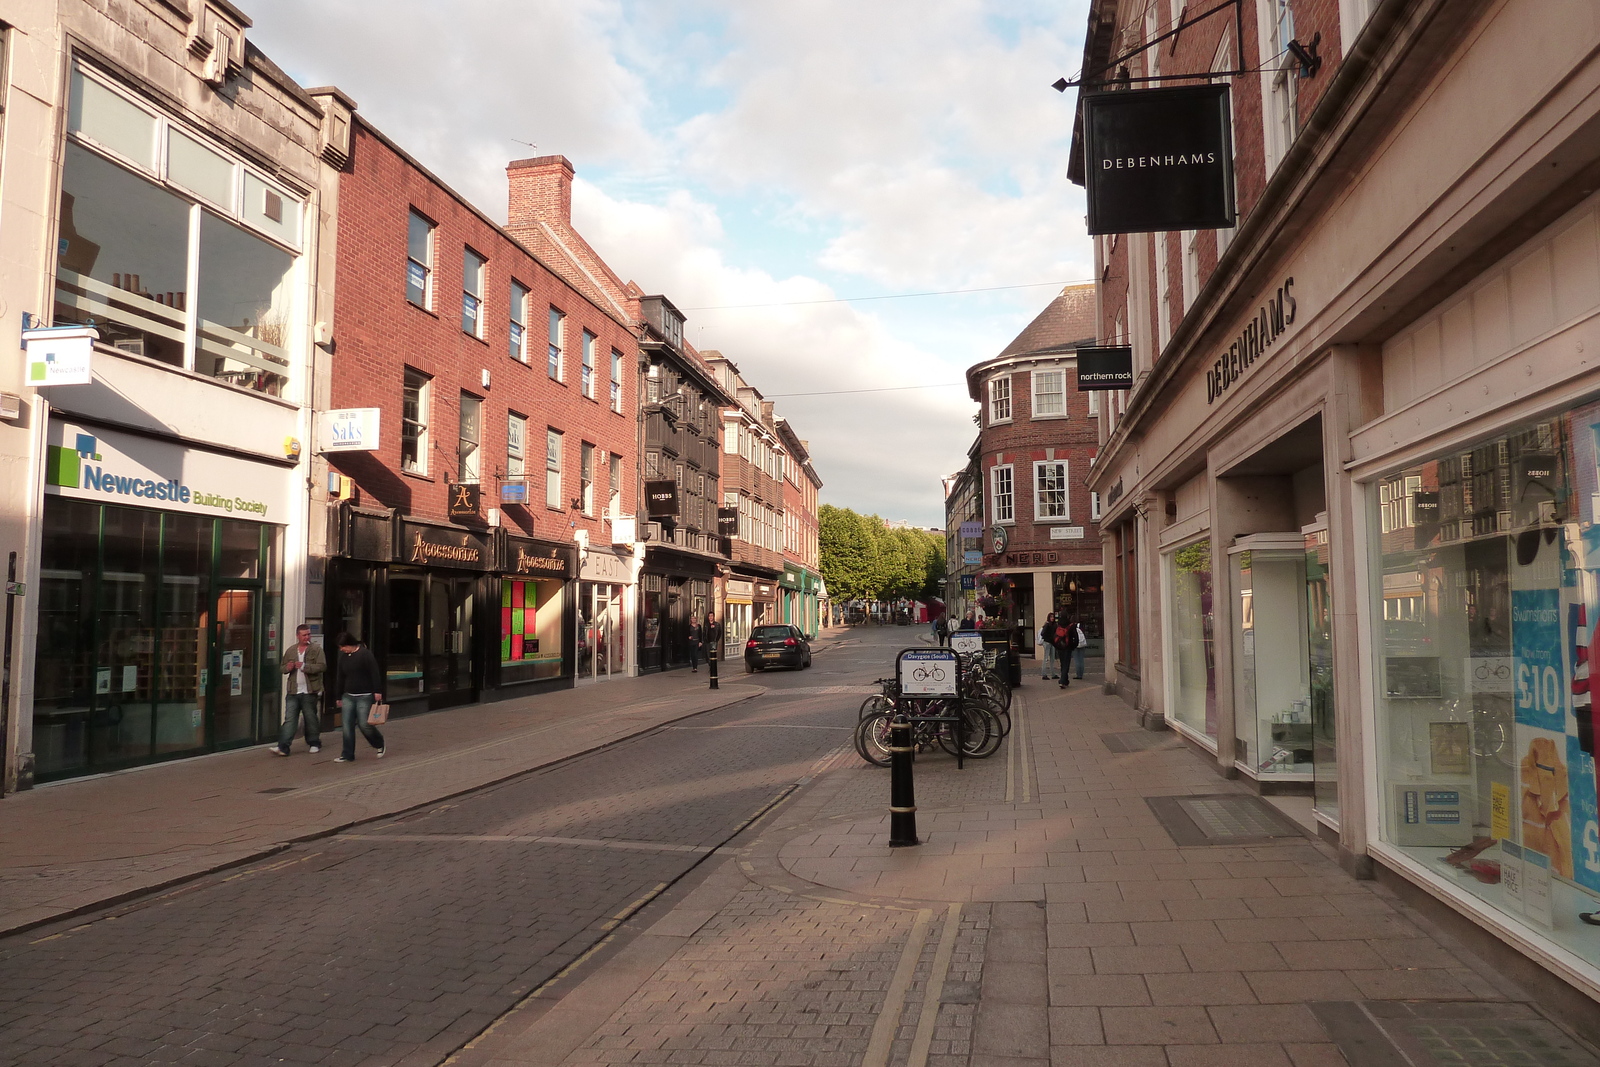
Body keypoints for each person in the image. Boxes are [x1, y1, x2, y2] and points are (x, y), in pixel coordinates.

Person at [269, 624, 325, 756]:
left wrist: (306, 666)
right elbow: (282, 668)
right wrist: (287, 668)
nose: (307, 637)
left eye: (308, 634)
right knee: (290, 719)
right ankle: (283, 747)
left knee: (310, 718)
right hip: (293, 691)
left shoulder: (316, 649)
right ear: (298, 636)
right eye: (304, 635)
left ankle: (314, 743)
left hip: (309, 691)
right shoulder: (291, 650)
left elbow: (322, 666)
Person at [333, 632, 385, 762]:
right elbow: (340, 677)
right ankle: (347, 754)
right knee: (347, 726)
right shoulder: (343, 657)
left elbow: (375, 673)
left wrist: (377, 691)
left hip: (365, 696)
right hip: (348, 696)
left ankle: (379, 743)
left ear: (350, 644)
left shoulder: (365, 654)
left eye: (343, 646)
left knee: (364, 724)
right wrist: (338, 695)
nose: (342, 649)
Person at [1051, 617, 1079, 688]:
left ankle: (1065, 680)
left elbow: (1053, 637)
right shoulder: (1070, 626)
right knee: (1066, 665)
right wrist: (1073, 646)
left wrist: (1056, 646)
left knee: (1063, 664)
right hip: (1067, 648)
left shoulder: (1057, 626)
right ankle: (1062, 681)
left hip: (1060, 648)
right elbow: (1076, 638)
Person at [1038, 612, 1059, 681]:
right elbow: (1042, 633)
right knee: (1046, 658)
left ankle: (1053, 674)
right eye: (1051, 617)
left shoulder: (1054, 625)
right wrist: (1048, 637)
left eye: (1053, 617)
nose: (1052, 618)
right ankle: (1044, 674)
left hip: (1052, 643)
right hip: (1047, 642)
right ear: (1049, 618)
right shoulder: (1047, 625)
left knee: (1052, 659)